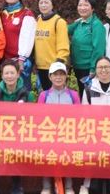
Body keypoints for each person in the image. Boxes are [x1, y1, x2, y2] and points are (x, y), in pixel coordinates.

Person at [80, 56, 110, 194]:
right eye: (100, 67)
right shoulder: (88, 89)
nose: (103, 70)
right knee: (93, 165)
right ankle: (87, 186)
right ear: (96, 70)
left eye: (106, 67)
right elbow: (85, 114)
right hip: (94, 135)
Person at [0, 60, 34, 194]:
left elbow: (33, 116)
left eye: (12, 73)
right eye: (6, 73)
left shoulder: (28, 95)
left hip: (20, 134)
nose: (9, 76)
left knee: (17, 153)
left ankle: (17, 185)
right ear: (2, 75)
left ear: (18, 74)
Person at [37, 61, 79, 194]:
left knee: (68, 157)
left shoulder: (73, 95)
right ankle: (46, 186)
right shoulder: (44, 95)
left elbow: (79, 117)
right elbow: (39, 117)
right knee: (46, 157)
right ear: (50, 77)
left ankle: (68, 186)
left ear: (66, 76)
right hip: (49, 134)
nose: (58, 77)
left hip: (68, 134)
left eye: (61, 74)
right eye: (55, 74)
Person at [69, 0, 106, 98]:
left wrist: (93, 69)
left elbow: (98, 49)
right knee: (82, 93)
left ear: (92, 8)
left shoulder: (96, 25)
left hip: (88, 68)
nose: (82, 8)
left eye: (86, 5)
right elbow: (65, 29)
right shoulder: (79, 23)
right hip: (78, 66)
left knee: (90, 96)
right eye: (80, 5)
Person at [34, 0, 69, 91]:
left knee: (56, 94)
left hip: (54, 67)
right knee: (45, 95)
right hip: (40, 66)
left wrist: (58, 63)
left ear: (52, 5)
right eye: (41, 3)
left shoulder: (59, 22)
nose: (43, 5)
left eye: (46, 2)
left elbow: (63, 46)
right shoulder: (38, 20)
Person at [1, 0, 36, 70]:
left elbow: (28, 37)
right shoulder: (2, 14)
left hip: (20, 61)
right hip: (5, 60)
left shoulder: (27, 14)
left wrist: (22, 59)